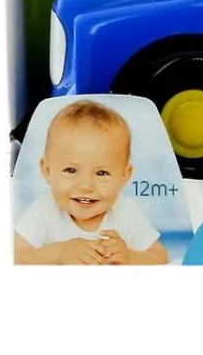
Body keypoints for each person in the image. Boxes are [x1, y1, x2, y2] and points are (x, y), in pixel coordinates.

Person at [14, 99, 169, 265]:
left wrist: (130, 257)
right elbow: (16, 256)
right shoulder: (43, 212)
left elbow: (160, 258)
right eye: (71, 170)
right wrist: (59, 253)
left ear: (124, 176)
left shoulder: (127, 213)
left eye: (102, 173)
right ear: (47, 171)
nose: (86, 186)